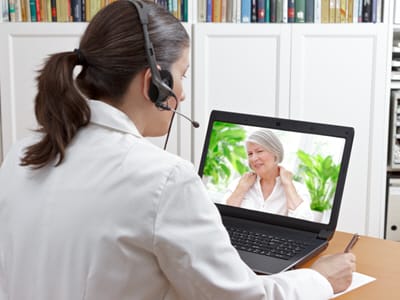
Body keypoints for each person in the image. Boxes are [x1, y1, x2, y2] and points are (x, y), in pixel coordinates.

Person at [0, 1, 355, 299]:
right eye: (182, 74)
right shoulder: (163, 178)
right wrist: (320, 280)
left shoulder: (22, 153)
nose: (182, 94)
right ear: (153, 81)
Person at [225, 129, 315, 221]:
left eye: (259, 151)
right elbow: (222, 219)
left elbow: (305, 221)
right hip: (243, 234)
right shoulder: (240, 183)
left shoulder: (297, 189)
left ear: (275, 153)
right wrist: (241, 189)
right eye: (250, 154)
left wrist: (288, 184)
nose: (253, 158)